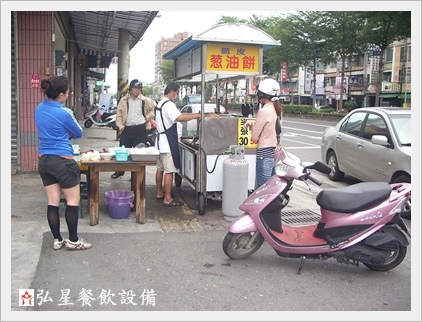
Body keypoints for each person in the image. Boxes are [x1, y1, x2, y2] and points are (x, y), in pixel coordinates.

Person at [34, 76, 92, 250]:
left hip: (44, 160)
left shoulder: (39, 108)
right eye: (68, 92)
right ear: (61, 95)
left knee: (53, 201)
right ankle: (73, 240)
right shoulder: (64, 111)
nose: (68, 95)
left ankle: (58, 240)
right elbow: (79, 132)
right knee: (72, 201)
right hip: (63, 161)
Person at [155, 82, 202, 207]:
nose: (176, 95)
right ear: (171, 92)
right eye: (176, 93)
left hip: (160, 142)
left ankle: (160, 192)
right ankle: (168, 198)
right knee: (169, 171)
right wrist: (197, 115)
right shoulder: (169, 104)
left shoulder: (160, 103)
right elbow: (179, 118)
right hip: (167, 143)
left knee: (160, 168)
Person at [111, 79, 156, 179]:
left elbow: (153, 110)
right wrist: (121, 126)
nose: (137, 90)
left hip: (140, 129)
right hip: (126, 128)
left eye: (139, 88)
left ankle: (136, 174)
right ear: (130, 89)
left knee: (139, 152)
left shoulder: (145, 100)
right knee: (123, 151)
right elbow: (118, 115)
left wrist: (146, 118)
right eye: (135, 88)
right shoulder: (123, 100)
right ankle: (120, 171)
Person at [244, 78, 283, 188]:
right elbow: (270, 129)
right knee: (271, 188)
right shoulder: (278, 109)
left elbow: (255, 137)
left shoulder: (263, 111)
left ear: (261, 95)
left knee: (262, 189)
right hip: (275, 153)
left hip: (264, 154)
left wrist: (251, 128)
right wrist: (254, 125)